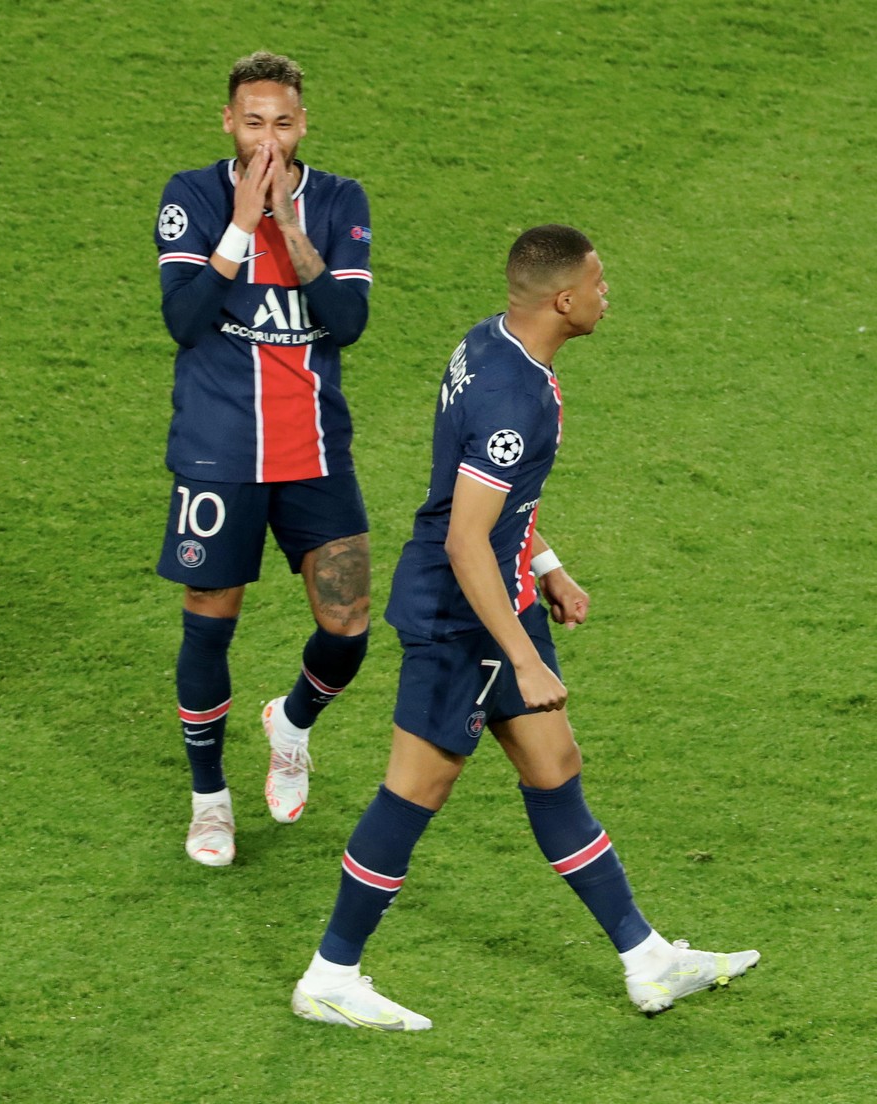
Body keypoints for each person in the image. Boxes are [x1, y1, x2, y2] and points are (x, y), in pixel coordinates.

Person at [291, 225, 760, 1029]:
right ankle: (331, 974)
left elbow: (496, 511)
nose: (608, 294)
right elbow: (464, 537)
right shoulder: (517, 402)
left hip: (499, 600)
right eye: (600, 283)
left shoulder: (490, 344)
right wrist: (522, 657)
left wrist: (546, 568)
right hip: (460, 619)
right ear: (564, 299)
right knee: (417, 788)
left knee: (554, 766)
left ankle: (647, 961)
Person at [153, 51, 374, 867]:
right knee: (210, 628)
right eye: (254, 122)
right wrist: (241, 228)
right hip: (217, 453)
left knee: (348, 624)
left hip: (314, 449)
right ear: (228, 122)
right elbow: (184, 318)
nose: (269, 139)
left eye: (283, 122)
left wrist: (287, 226)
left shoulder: (340, 201)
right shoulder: (193, 196)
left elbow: (346, 319)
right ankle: (210, 802)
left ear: (303, 123)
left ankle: (293, 724)